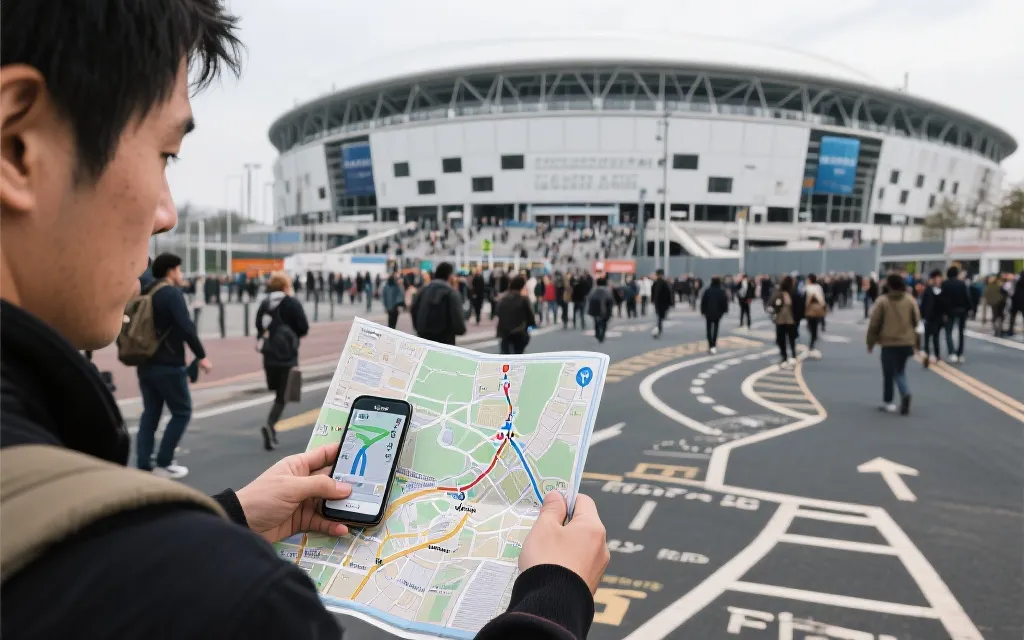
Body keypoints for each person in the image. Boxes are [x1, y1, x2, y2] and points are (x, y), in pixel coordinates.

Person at [0, 3, 610, 639]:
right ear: (20, 146)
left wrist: (227, 518)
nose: (166, 214)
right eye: (166, 153)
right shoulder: (222, 600)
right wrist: (550, 601)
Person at [131, 253, 213, 478]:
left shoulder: (146, 292)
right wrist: (201, 356)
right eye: (179, 269)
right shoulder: (170, 294)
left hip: (144, 363)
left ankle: (143, 463)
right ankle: (164, 461)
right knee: (182, 411)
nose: (181, 274)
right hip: (169, 364)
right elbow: (186, 327)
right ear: (171, 271)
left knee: (151, 413)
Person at [255, 272, 309, 450]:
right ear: (285, 286)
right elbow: (303, 327)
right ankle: (270, 425)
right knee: (283, 395)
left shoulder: (265, 303)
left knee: (278, 392)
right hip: (287, 356)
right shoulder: (291, 302)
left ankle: (271, 428)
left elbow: (258, 326)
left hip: (269, 356)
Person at [866, 274, 921, 415]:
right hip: (906, 341)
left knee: (888, 372)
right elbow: (916, 320)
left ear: (888, 285)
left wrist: (870, 342)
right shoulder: (910, 300)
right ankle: (905, 392)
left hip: (888, 342)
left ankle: (889, 401)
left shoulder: (883, 301)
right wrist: (916, 340)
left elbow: (874, 324)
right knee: (900, 370)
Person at [410, 262, 467, 345]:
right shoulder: (451, 293)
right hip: (445, 340)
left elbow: (413, 309)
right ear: (450, 275)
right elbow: (458, 320)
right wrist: (459, 330)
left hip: (423, 338)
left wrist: (419, 328)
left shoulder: (422, 290)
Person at [495, 275, 536, 354]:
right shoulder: (524, 299)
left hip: (504, 332)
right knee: (518, 354)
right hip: (519, 332)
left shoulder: (503, 298)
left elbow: (498, 312)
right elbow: (530, 316)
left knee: (505, 354)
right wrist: (531, 325)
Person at [940, 265, 971, 363]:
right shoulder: (962, 284)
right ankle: (960, 353)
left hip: (949, 311)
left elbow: (943, 299)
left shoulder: (945, 284)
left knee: (948, 332)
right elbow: (967, 297)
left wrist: (943, 311)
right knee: (961, 332)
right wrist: (969, 309)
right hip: (962, 310)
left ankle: (951, 353)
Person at [918, 269, 944, 367]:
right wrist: (922, 315)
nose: (939, 280)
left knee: (936, 338)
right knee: (927, 337)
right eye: (937, 278)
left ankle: (937, 355)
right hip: (928, 318)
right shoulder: (928, 290)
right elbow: (923, 304)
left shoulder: (942, 290)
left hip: (938, 317)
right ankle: (927, 356)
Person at [771, 275, 798, 366]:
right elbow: (771, 303)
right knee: (783, 339)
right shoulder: (782, 293)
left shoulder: (792, 293)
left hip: (787, 319)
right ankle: (786, 355)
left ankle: (789, 355)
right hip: (783, 319)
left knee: (789, 338)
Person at [700, 276, 729, 354]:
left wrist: (702, 311)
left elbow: (703, 301)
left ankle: (710, 345)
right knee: (716, 329)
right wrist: (725, 310)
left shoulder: (707, 290)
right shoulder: (721, 291)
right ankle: (714, 345)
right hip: (718, 313)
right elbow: (724, 301)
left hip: (708, 312)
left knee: (709, 329)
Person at [803, 273, 827, 359]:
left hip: (811, 310)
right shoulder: (818, 287)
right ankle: (813, 340)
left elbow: (806, 300)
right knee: (814, 326)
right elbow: (822, 299)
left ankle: (812, 342)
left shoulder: (809, 288)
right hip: (818, 309)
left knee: (810, 326)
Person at [586, 277, 614, 343]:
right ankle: (602, 335)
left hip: (595, 310)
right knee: (604, 323)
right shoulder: (607, 290)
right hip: (605, 310)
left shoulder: (593, 290)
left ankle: (597, 333)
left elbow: (589, 298)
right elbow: (611, 300)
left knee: (596, 322)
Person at [651, 268, 674, 338]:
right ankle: (659, 329)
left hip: (657, 303)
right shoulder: (665, 283)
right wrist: (670, 303)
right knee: (661, 317)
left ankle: (658, 329)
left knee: (660, 317)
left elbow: (653, 293)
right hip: (664, 303)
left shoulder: (655, 283)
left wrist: (653, 301)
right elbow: (668, 293)